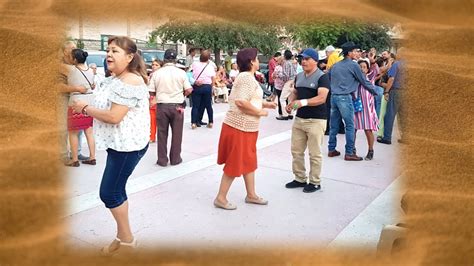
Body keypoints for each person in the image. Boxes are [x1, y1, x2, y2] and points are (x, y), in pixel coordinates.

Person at [71, 36, 150, 255]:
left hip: (128, 147)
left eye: (115, 51)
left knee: (109, 193)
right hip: (119, 145)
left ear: (130, 56)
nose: (109, 55)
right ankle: (123, 237)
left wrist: (85, 108)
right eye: (108, 50)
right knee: (116, 190)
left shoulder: (130, 81)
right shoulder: (117, 78)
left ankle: (127, 240)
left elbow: (115, 116)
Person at [214, 48, 277, 210]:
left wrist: (266, 104)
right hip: (239, 127)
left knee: (248, 161)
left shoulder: (247, 78)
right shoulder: (246, 78)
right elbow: (241, 102)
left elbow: (249, 99)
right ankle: (221, 198)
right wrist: (260, 112)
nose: (258, 61)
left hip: (245, 128)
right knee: (236, 162)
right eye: (256, 58)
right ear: (251, 62)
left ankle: (251, 194)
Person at [284, 48, 329, 193]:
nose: (303, 61)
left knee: (314, 153)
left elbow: (322, 98)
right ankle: (299, 178)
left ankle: (315, 182)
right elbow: (295, 92)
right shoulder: (299, 76)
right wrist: (290, 102)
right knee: (296, 151)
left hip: (316, 120)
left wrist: (301, 103)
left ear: (315, 61)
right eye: (302, 59)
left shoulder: (322, 77)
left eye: (307, 59)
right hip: (299, 119)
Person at [327, 41, 377, 161]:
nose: (358, 53)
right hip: (345, 97)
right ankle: (349, 152)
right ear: (349, 53)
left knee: (333, 125)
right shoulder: (354, 65)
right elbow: (363, 82)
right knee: (350, 125)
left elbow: (329, 78)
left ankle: (331, 149)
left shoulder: (335, 65)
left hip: (334, 97)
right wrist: (375, 92)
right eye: (356, 51)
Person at [148, 49, 193, 166]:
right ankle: (175, 158)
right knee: (177, 134)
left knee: (162, 134)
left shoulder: (157, 73)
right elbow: (189, 89)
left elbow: (151, 92)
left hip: (162, 106)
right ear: (175, 59)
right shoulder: (181, 73)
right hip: (177, 106)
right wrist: (182, 94)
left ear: (164, 59)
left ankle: (162, 160)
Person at [57, 41, 89, 162]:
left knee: (78, 126)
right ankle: (63, 154)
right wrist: (76, 88)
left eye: (76, 48)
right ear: (65, 52)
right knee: (63, 127)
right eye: (72, 48)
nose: (75, 50)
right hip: (63, 98)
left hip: (77, 98)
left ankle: (77, 152)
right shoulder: (59, 66)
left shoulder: (78, 64)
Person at [65, 49, 96, 167]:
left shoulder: (72, 70)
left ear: (75, 59)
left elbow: (69, 84)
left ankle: (74, 160)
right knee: (89, 131)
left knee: (73, 132)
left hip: (76, 102)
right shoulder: (91, 70)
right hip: (89, 103)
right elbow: (92, 85)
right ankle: (92, 157)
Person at [378, 49, 405, 144]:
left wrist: (386, 91)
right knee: (404, 116)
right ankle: (406, 137)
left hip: (396, 91)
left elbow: (391, 79)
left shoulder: (396, 65)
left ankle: (387, 137)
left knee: (390, 114)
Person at [353, 60, 379, 160]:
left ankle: (370, 150)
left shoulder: (370, 78)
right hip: (356, 108)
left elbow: (376, 70)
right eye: (360, 67)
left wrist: (372, 61)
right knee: (353, 130)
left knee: (368, 130)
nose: (362, 69)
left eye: (364, 67)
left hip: (367, 110)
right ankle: (352, 149)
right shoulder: (354, 79)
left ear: (368, 69)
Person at [191, 50, 216, 129]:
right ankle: (211, 121)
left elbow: (190, 72)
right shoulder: (210, 66)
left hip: (197, 85)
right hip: (207, 86)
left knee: (195, 106)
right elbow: (213, 78)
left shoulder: (195, 64)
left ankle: (194, 122)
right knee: (208, 105)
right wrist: (212, 88)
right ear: (208, 58)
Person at [276, 50, 297, 120]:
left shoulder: (286, 63)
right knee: (290, 99)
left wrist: (278, 75)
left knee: (282, 99)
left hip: (289, 81)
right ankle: (290, 113)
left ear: (285, 56)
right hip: (294, 81)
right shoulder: (293, 63)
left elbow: (286, 75)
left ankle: (285, 114)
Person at [148, 59, 161, 143]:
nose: (154, 66)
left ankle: (160, 138)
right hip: (151, 99)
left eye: (156, 65)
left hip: (159, 100)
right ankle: (152, 137)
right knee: (151, 120)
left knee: (160, 122)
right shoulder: (150, 75)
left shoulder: (161, 76)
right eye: (153, 64)